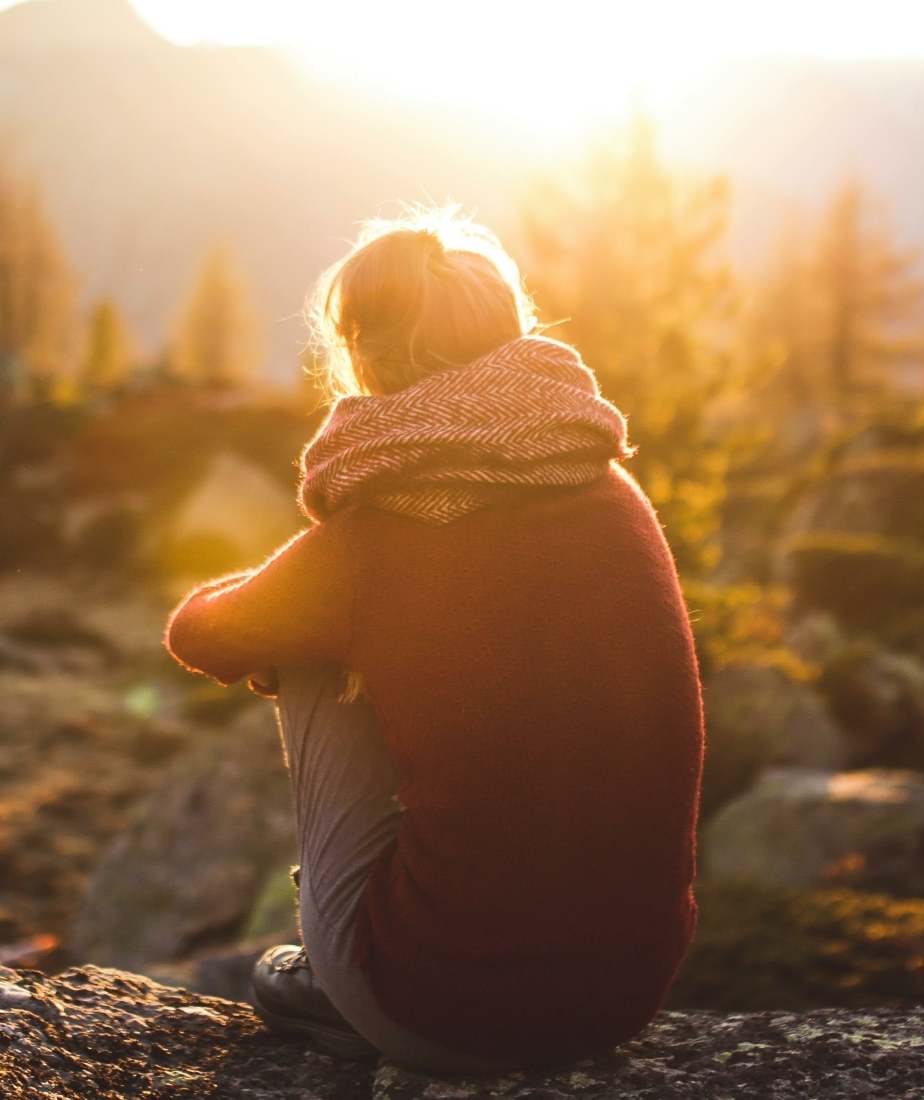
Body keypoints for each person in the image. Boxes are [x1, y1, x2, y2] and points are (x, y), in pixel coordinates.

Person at [162, 208, 705, 1071]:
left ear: (366, 358)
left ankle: (340, 965)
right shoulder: (612, 492)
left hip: (439, 1010)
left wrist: (312, 607)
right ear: (509, 334)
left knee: (304, 645)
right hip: (624, 996)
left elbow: (202, 634)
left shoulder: (375, 536)